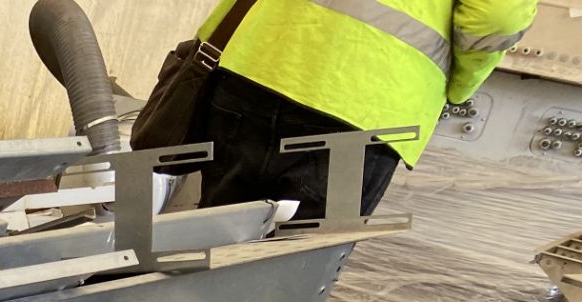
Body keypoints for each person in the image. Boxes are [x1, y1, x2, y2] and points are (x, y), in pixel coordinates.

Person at [188, 0, 540, 218]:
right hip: (364, 105)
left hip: (256, 64)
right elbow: (500, 16)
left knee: (211, 239)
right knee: (295, 268)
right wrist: (461, 84)